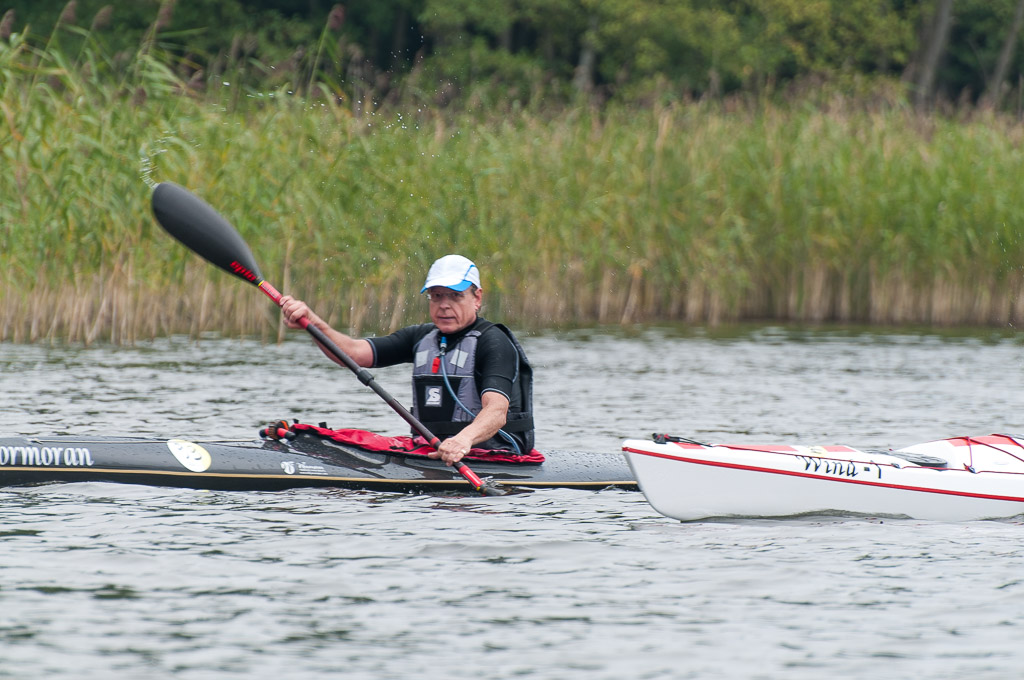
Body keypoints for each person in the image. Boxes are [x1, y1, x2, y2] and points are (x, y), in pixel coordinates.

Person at [280, 254, 534, 466]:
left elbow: (497, 411)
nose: (444, 305)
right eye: (436, 296)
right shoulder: (421, 337)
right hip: (430, 450)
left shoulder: (494, 341)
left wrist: (461, 441)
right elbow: (353, 354)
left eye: (455, 296)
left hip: (491, 454)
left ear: (477, 298)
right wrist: (312, 322)